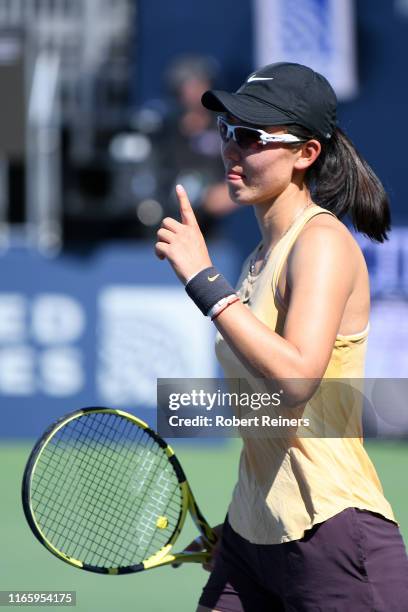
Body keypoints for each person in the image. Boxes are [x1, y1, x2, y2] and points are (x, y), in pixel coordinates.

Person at [155, 62, 408, 611]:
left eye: (251, 136)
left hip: (332, 534)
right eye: (228, 131)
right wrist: (244, 522)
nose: (232, 150)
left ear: (306, 154)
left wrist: (205, 283)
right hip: (251, 538)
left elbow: (295, 381)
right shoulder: (258, 260)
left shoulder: (321, 243)